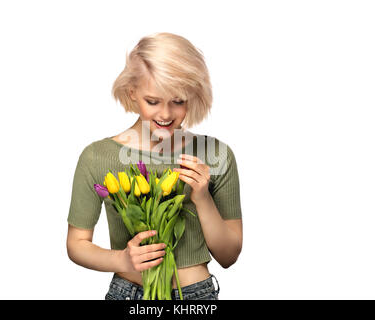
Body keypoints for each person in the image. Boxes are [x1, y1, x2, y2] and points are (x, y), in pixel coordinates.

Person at [66, 32, 243, 300]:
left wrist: (203, 198)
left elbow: (229, 256)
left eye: (178, 101)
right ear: (132, 92)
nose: (165, 114)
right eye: (153, 101)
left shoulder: (216, 154)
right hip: (130, 295)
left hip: (196, 297)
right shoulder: (97, 156)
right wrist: (122, 260)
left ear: (193, 96)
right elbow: (76, 244)